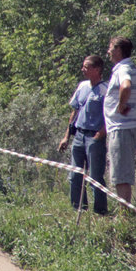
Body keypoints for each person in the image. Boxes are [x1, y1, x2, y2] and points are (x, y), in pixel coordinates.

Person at [103, 37, 136, 204]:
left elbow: (126, 86)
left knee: (121, 174)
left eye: (110, 48)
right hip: (129, 126)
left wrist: (121, 106)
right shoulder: (132, 68)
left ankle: (124, 216)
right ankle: (125, 212)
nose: (108, 52)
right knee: (122, 171)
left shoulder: (123, 69)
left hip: (121, 128)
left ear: (118, 50)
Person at [58, 55, 108, 214]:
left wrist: (101, 133)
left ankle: (100, 212)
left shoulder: (105, 90)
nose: (83, 70)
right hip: (79, 135)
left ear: (97, 69)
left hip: (94, 136)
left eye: (86, 67)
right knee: (75, 175)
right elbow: (75, 111)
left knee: (95, 176)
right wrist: (67, 136)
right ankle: (78, 210)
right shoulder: (82, 86)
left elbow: (111, 114)